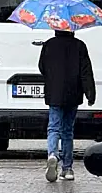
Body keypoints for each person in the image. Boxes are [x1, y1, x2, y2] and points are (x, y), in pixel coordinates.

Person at [38, 30, 96, 182]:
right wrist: (90, 93)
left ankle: (52, 154)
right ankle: (67, 168)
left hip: (54, 93)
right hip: (73, 93)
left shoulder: (49, 45)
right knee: (67, 131)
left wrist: (52, 78)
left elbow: (42, 67)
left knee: (53, 127)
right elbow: (86, 72)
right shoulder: (79, 46)